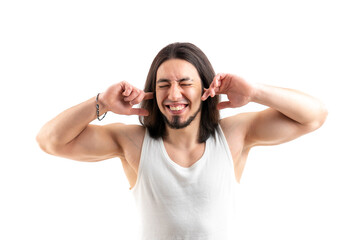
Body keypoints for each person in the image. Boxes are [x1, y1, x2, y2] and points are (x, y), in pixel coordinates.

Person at [36, 42, 327, 239]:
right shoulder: (132, 142)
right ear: (153, 92)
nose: (174, 95)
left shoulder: (234, 136)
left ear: (207, 88)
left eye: (185, 83)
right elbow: (51, 141)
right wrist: (100, 103)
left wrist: (254, 92)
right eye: (164, 85)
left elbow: (314, 116)